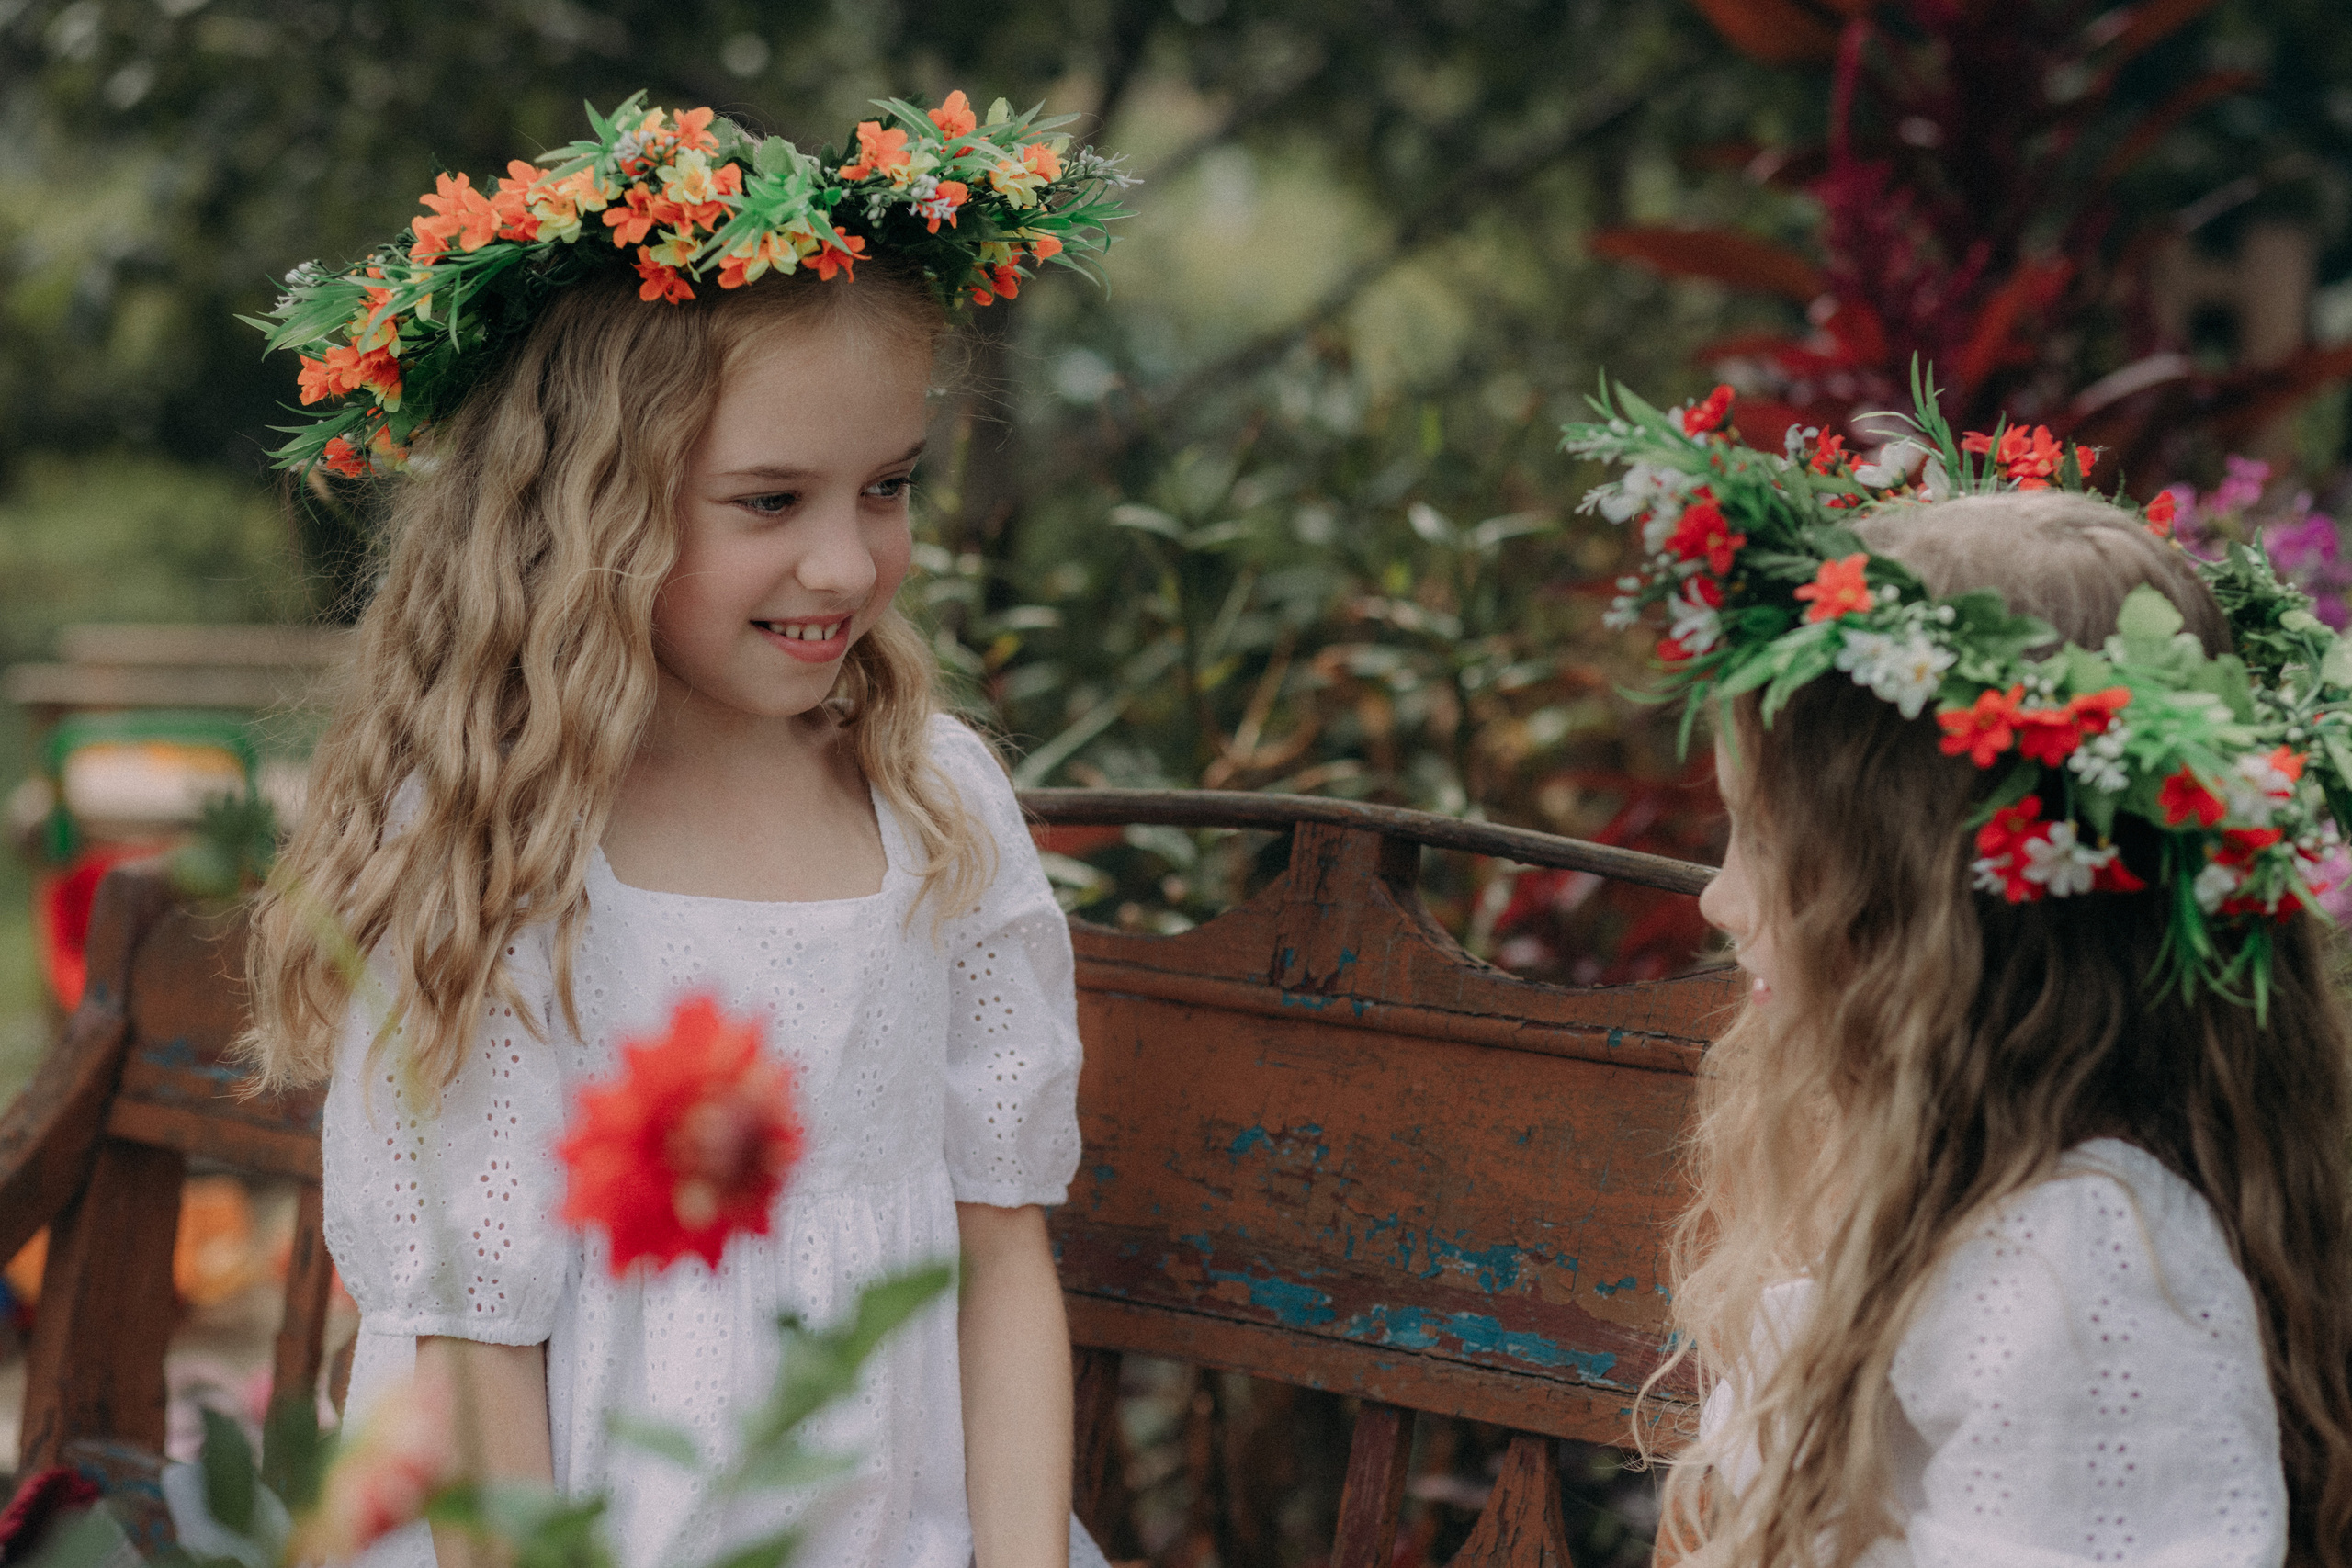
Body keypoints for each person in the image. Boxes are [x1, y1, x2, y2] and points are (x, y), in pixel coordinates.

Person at [242, 93, 1134, 1568]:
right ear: (584, 506)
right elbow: (473, 1342)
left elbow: (998, 1251)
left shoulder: (937, 802)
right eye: (770, 499)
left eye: (890, 488)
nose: (847, 561)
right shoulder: (503, 849)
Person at [1568, 387, 2352, 1567]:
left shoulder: (2080, 1268)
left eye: (1768, 843)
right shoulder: (1960, 1183)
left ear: (1943, 916)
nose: (1716, 899)